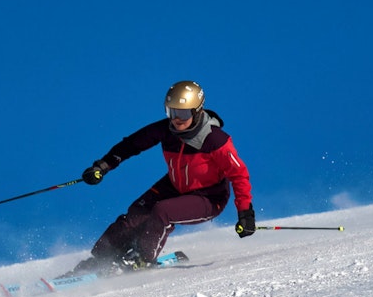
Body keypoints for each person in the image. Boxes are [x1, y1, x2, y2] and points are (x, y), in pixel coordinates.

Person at [64, 80, 255, 276]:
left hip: (208, 197)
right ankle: (101, 259)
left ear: (197, 112)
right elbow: (132, 144)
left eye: (183, 114)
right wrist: (103, 166)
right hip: (175, 185)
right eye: (171, 112)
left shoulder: (214, 139)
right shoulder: (167, 130)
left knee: (162, 212)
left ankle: (143, 258)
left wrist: (245, 214)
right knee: (136, 214)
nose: (176, 120)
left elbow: (238, 174)